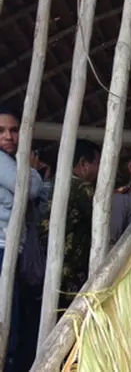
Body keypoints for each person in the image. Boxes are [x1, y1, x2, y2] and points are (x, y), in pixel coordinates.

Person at [0, 106, 46, 371]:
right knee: (9, 323)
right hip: (2, 250)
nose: (9, 136)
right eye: (2, 131)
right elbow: (30, 187)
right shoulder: (5, 162)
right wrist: (30, 169)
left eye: (14, 130)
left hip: (8, 250)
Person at [38, 139, 101, 310]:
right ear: (83, 164)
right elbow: (100, 219)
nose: (99, 170)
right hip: (68, 272)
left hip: (41, 267)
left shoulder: (49, 183)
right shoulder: (81, 187)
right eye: (97, 164)